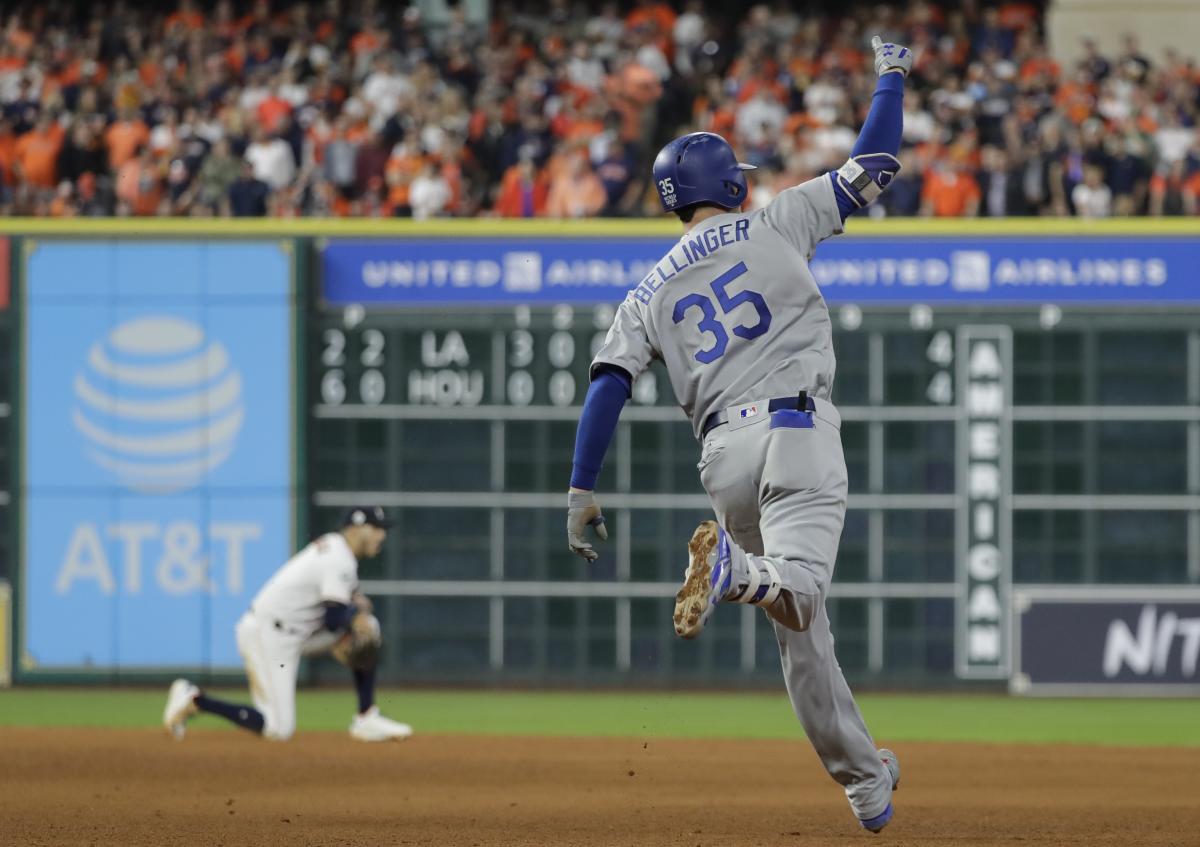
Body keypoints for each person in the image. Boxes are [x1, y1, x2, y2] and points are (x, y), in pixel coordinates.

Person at [565, 36, 910, 834]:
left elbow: (608, 384)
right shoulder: (778, 218)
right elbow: (878, 160)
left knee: (802, 634)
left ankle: (865, 780)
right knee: (796, 586)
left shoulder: (645, 290)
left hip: (722, 459)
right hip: (795, 429)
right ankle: (733, 570)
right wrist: (890, 74)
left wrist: (582, 487)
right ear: (727, 182)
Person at [163, 506, 413, 743]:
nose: (382, 535)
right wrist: (354, 615)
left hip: (297, 634)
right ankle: (194, 698)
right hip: (268, 634)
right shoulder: (337, 558)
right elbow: (334, 618)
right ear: (356, 529)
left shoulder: (339, 552)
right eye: (377, 528)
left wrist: (356, 612)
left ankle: (366, 718)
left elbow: (343, 606)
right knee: (277, 728)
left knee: (370, 625)